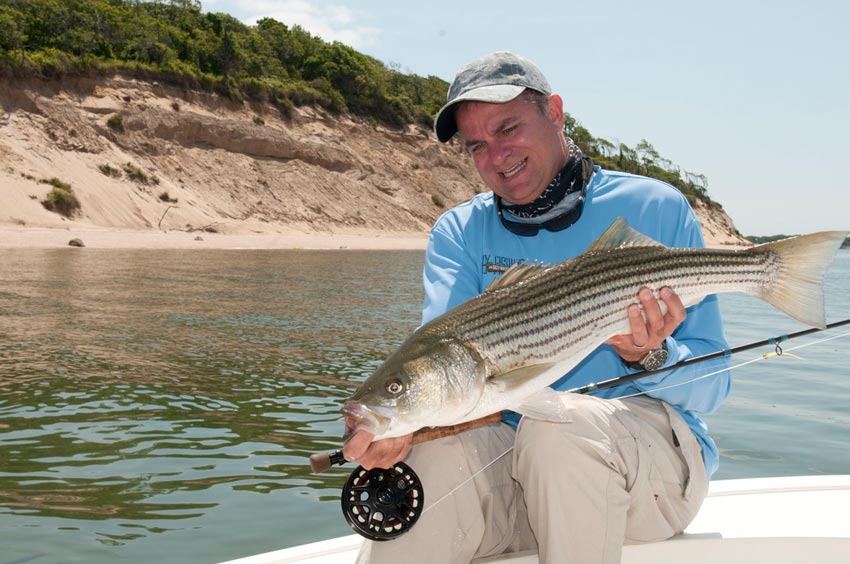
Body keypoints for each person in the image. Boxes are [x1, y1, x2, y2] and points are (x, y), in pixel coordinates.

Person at [343, 51, 731, 564]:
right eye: (477, 144)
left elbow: (714, 387)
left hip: (648, 471)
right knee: (426, 462)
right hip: (511, 466)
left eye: (508, 128)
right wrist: (392, 427)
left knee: (557, 431)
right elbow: (440, 371)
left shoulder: (654, 207)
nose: (496, 155)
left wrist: (650, 357)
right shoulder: (458, 232)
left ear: (554, 113)